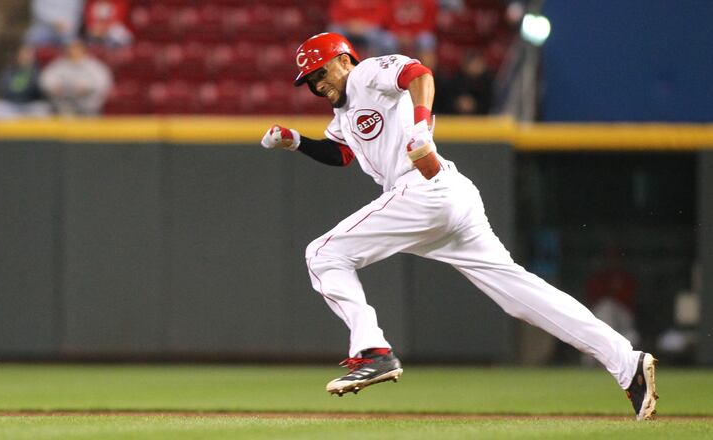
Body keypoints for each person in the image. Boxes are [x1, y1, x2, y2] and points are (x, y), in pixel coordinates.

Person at [260, 32, 658, 421]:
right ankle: (627, 361)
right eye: (310, 80)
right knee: (519, 294)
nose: (317, 83)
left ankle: (373, 352)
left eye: (321, 71)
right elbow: (342, 153)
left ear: (345, 60)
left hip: (422, 191)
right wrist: (297, 142)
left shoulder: (367, 75)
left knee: (323, 253)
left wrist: (419, 127)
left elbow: (419, 74)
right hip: (446, 199)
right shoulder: (343, 112)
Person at [40, 39, 113, 115]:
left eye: (77, 49)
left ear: (84, 51)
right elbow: (46, 80)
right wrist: (53, 87)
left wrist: (88, 88)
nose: (74, 52)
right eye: (72, 49)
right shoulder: (59, 64)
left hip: (88, 108)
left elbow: (103, 84)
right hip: (62, 107)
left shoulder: (94, 66)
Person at [0, 45, 52, 119]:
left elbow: (40, 90)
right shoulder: (8, 72)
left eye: (29, 55)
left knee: (43, 108)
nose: (26, 57)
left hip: (30, 105)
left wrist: (30, 72)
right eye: (24, 54)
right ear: (18, 56)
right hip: (11, 105)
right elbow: (2, 89)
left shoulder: (37, 72)